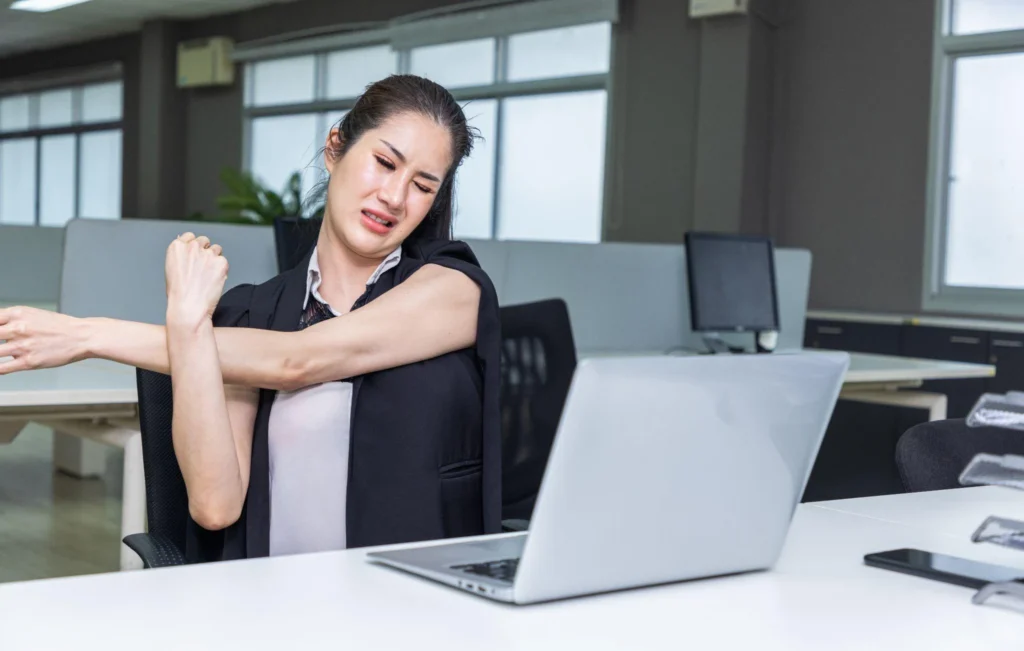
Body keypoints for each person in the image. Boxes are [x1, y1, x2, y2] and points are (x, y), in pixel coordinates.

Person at [0, 74, 503, 563]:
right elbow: (215, 507)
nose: (394, 196)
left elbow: (296, 361)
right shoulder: (252, 316)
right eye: (384, 163)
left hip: (410, 603)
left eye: (422, 186)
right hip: (273, 601)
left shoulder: (454, 290)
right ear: (335, 148)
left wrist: (86, 335)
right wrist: (188, 319)